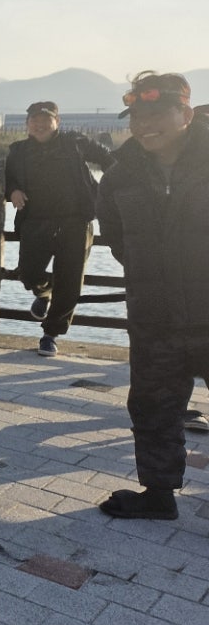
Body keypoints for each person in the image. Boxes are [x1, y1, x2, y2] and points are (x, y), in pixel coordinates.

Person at [96, 71, 209, 520]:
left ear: (186, 113)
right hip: (154, 314)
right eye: (137, 117)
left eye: (157, 114)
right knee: (153, 406)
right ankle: (159, 495)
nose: (145, 125)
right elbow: (116, 238)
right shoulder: (119, 175)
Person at [5, 101, 115, 358]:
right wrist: (13, 191)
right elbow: (8, 179)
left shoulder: (74, 142)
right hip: (35, 221)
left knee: (70, 281)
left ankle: (50, 334)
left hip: (76, 221)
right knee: (28, 273)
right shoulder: (18, 150)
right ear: (27, 124)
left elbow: (108, 158)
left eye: (46, 120)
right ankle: (44, 292)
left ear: (57, 122)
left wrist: (111, 191)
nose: (40, 125)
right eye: (34, 121)